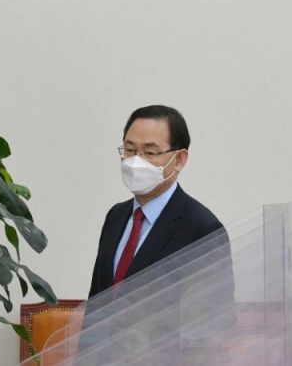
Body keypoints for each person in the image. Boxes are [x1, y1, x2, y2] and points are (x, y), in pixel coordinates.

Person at [87, 105, 225, 297]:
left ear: (179, 159)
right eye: (129, 150)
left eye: (150, 152)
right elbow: (97, 300)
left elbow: (212, 310)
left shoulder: (202, 228)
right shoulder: (116, 216)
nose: (136, 161)